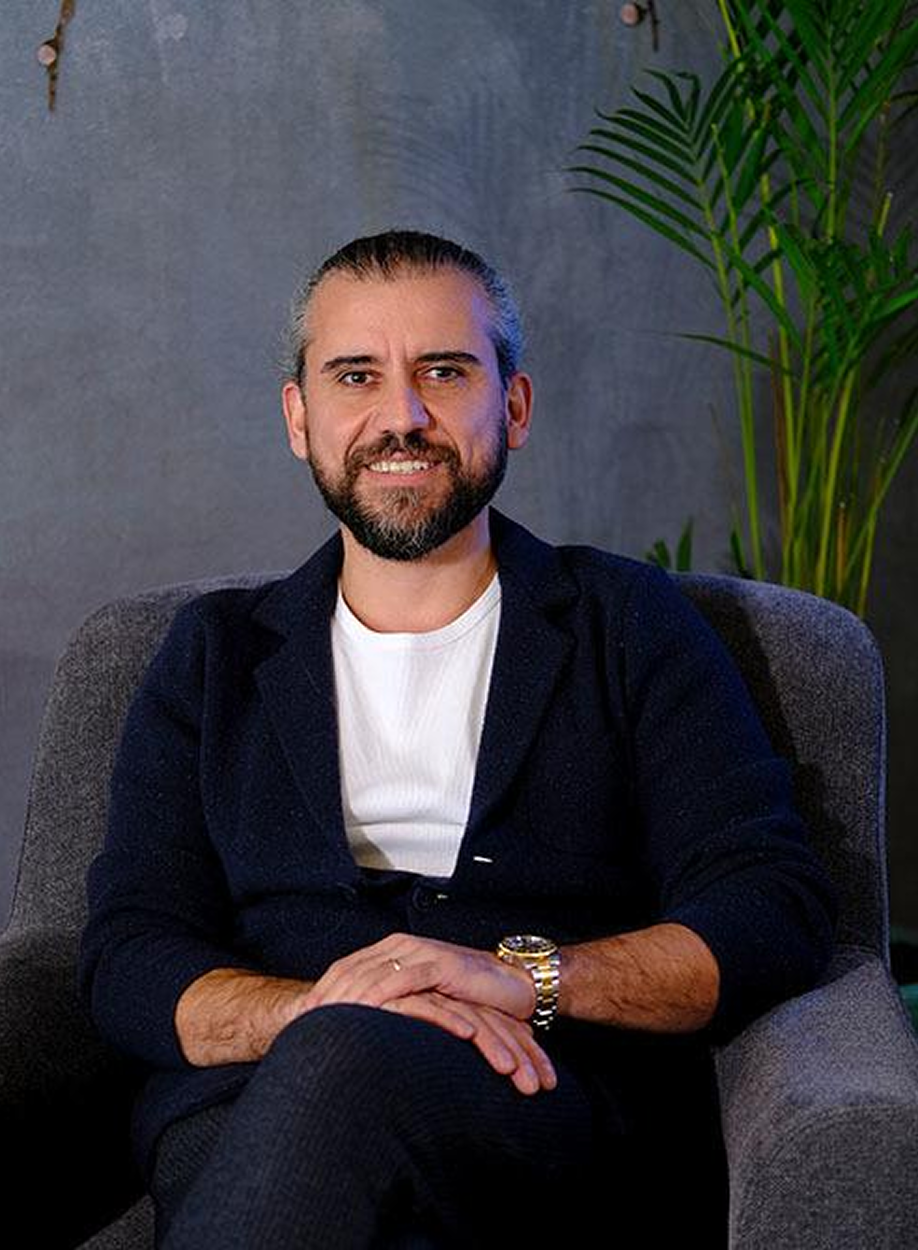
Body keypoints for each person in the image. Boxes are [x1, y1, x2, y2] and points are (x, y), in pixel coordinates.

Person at [78, 229, 837, 1248]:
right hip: (251, 1094)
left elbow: (769, 905)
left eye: (444, 371)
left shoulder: (628, 623)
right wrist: (316, 1011)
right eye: (357, 376)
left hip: (541, 1097)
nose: (401, 416)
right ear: (299, 418)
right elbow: (130, 951)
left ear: (512, 406)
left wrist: (526, 978)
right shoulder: (211, 657)